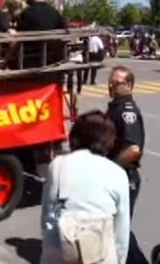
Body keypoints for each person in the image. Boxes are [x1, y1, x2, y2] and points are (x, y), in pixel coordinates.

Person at [40, 110, 130, 264]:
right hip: (101, 253)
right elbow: (121, 229)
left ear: (74, 137)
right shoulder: (118, 173)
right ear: (108, 141)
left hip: (61, 249)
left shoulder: (58, 165)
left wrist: (50, 246)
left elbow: (47, 216)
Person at [105, 65, 149, 264]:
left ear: (129, 85)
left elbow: (133, 149)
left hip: (124, 177)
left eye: (117, 82)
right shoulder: (115, 106)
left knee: (119, 229)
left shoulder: (126, 111)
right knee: (115, 227)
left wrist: (110, 167)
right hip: (117, 177)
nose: (112, 85)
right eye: (111, 81)